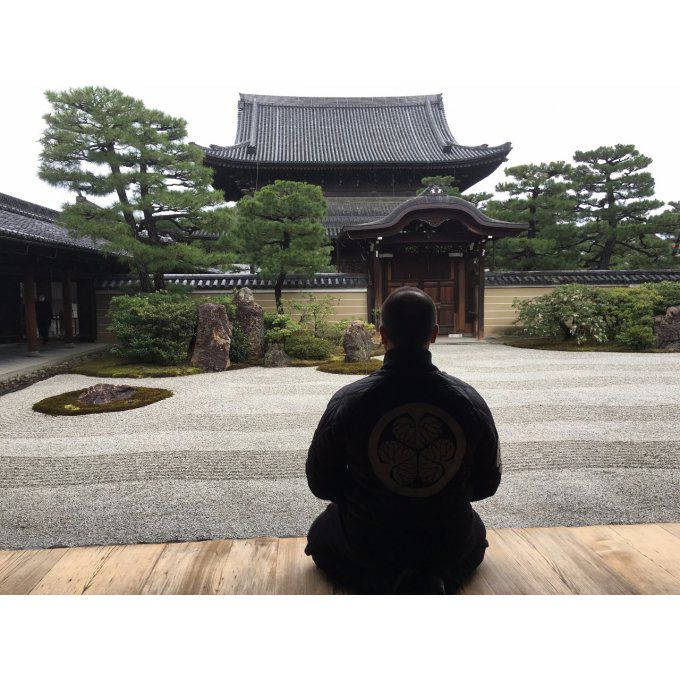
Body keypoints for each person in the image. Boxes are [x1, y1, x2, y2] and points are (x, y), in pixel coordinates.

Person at [305, 286, 501, 594]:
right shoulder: (467, 400)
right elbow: (486, 484)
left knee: (322, 536)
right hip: (446, 542)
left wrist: (368, 495)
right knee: (471, 532)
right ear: (435, 333)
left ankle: (384, 579)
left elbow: (321, 483)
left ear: (381, 334)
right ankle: (427, 576)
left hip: (369, 541)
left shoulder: (351, 399)